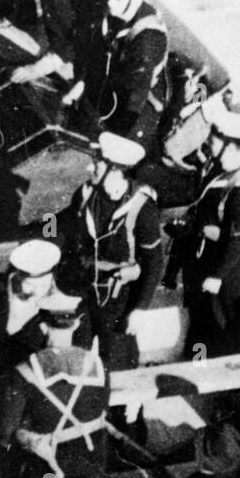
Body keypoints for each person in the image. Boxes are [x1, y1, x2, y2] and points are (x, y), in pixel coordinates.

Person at [0, 287, 108, 478]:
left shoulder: (26, 370)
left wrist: (29, 438)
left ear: (43, 325)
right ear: (75, 324)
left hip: (51, 470)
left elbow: (7, 429)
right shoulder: (98, 365)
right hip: (91, 461)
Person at [164, 96, 240, 352]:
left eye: (214, 140)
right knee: (206, 318)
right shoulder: (222, 169)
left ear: (230, 146)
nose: (209, 142)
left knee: (229, 321)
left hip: (228, 271)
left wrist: (218, 277)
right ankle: (199, 359)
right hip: (208, 257)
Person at [57, 130, 163, 361]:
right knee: (75, 358)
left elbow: (155, 263)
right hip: (84, 291)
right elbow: (65, 226)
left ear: (115, 170)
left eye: (97, 164)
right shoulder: (85, 195)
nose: (90, 168)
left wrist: (141, 309)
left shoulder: (141, 207)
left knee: (117, 362)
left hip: (120, 297)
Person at [0, 238, 62, 448]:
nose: (38, 291)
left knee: (19, 438)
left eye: (43, 285)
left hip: (30, 377)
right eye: (31, 285)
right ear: (17, 276)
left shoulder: (56, 298)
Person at [65, 0, 167, 146]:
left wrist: (115, 141)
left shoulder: (148, 39)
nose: (111, 1)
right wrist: (81, 82)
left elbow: (136, 98)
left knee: (105, 133)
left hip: (132, 87)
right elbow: (95, 47)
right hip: (112, 71)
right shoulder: (115, 11)